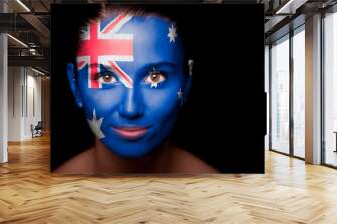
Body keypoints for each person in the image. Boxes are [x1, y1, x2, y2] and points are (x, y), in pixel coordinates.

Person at [55, 5, 218, 173]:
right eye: (106, 77)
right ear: (75, 86)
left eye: (155, 77)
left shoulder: (218, 193)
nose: (130, 109)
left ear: (186, 82)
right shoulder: (53, 196)